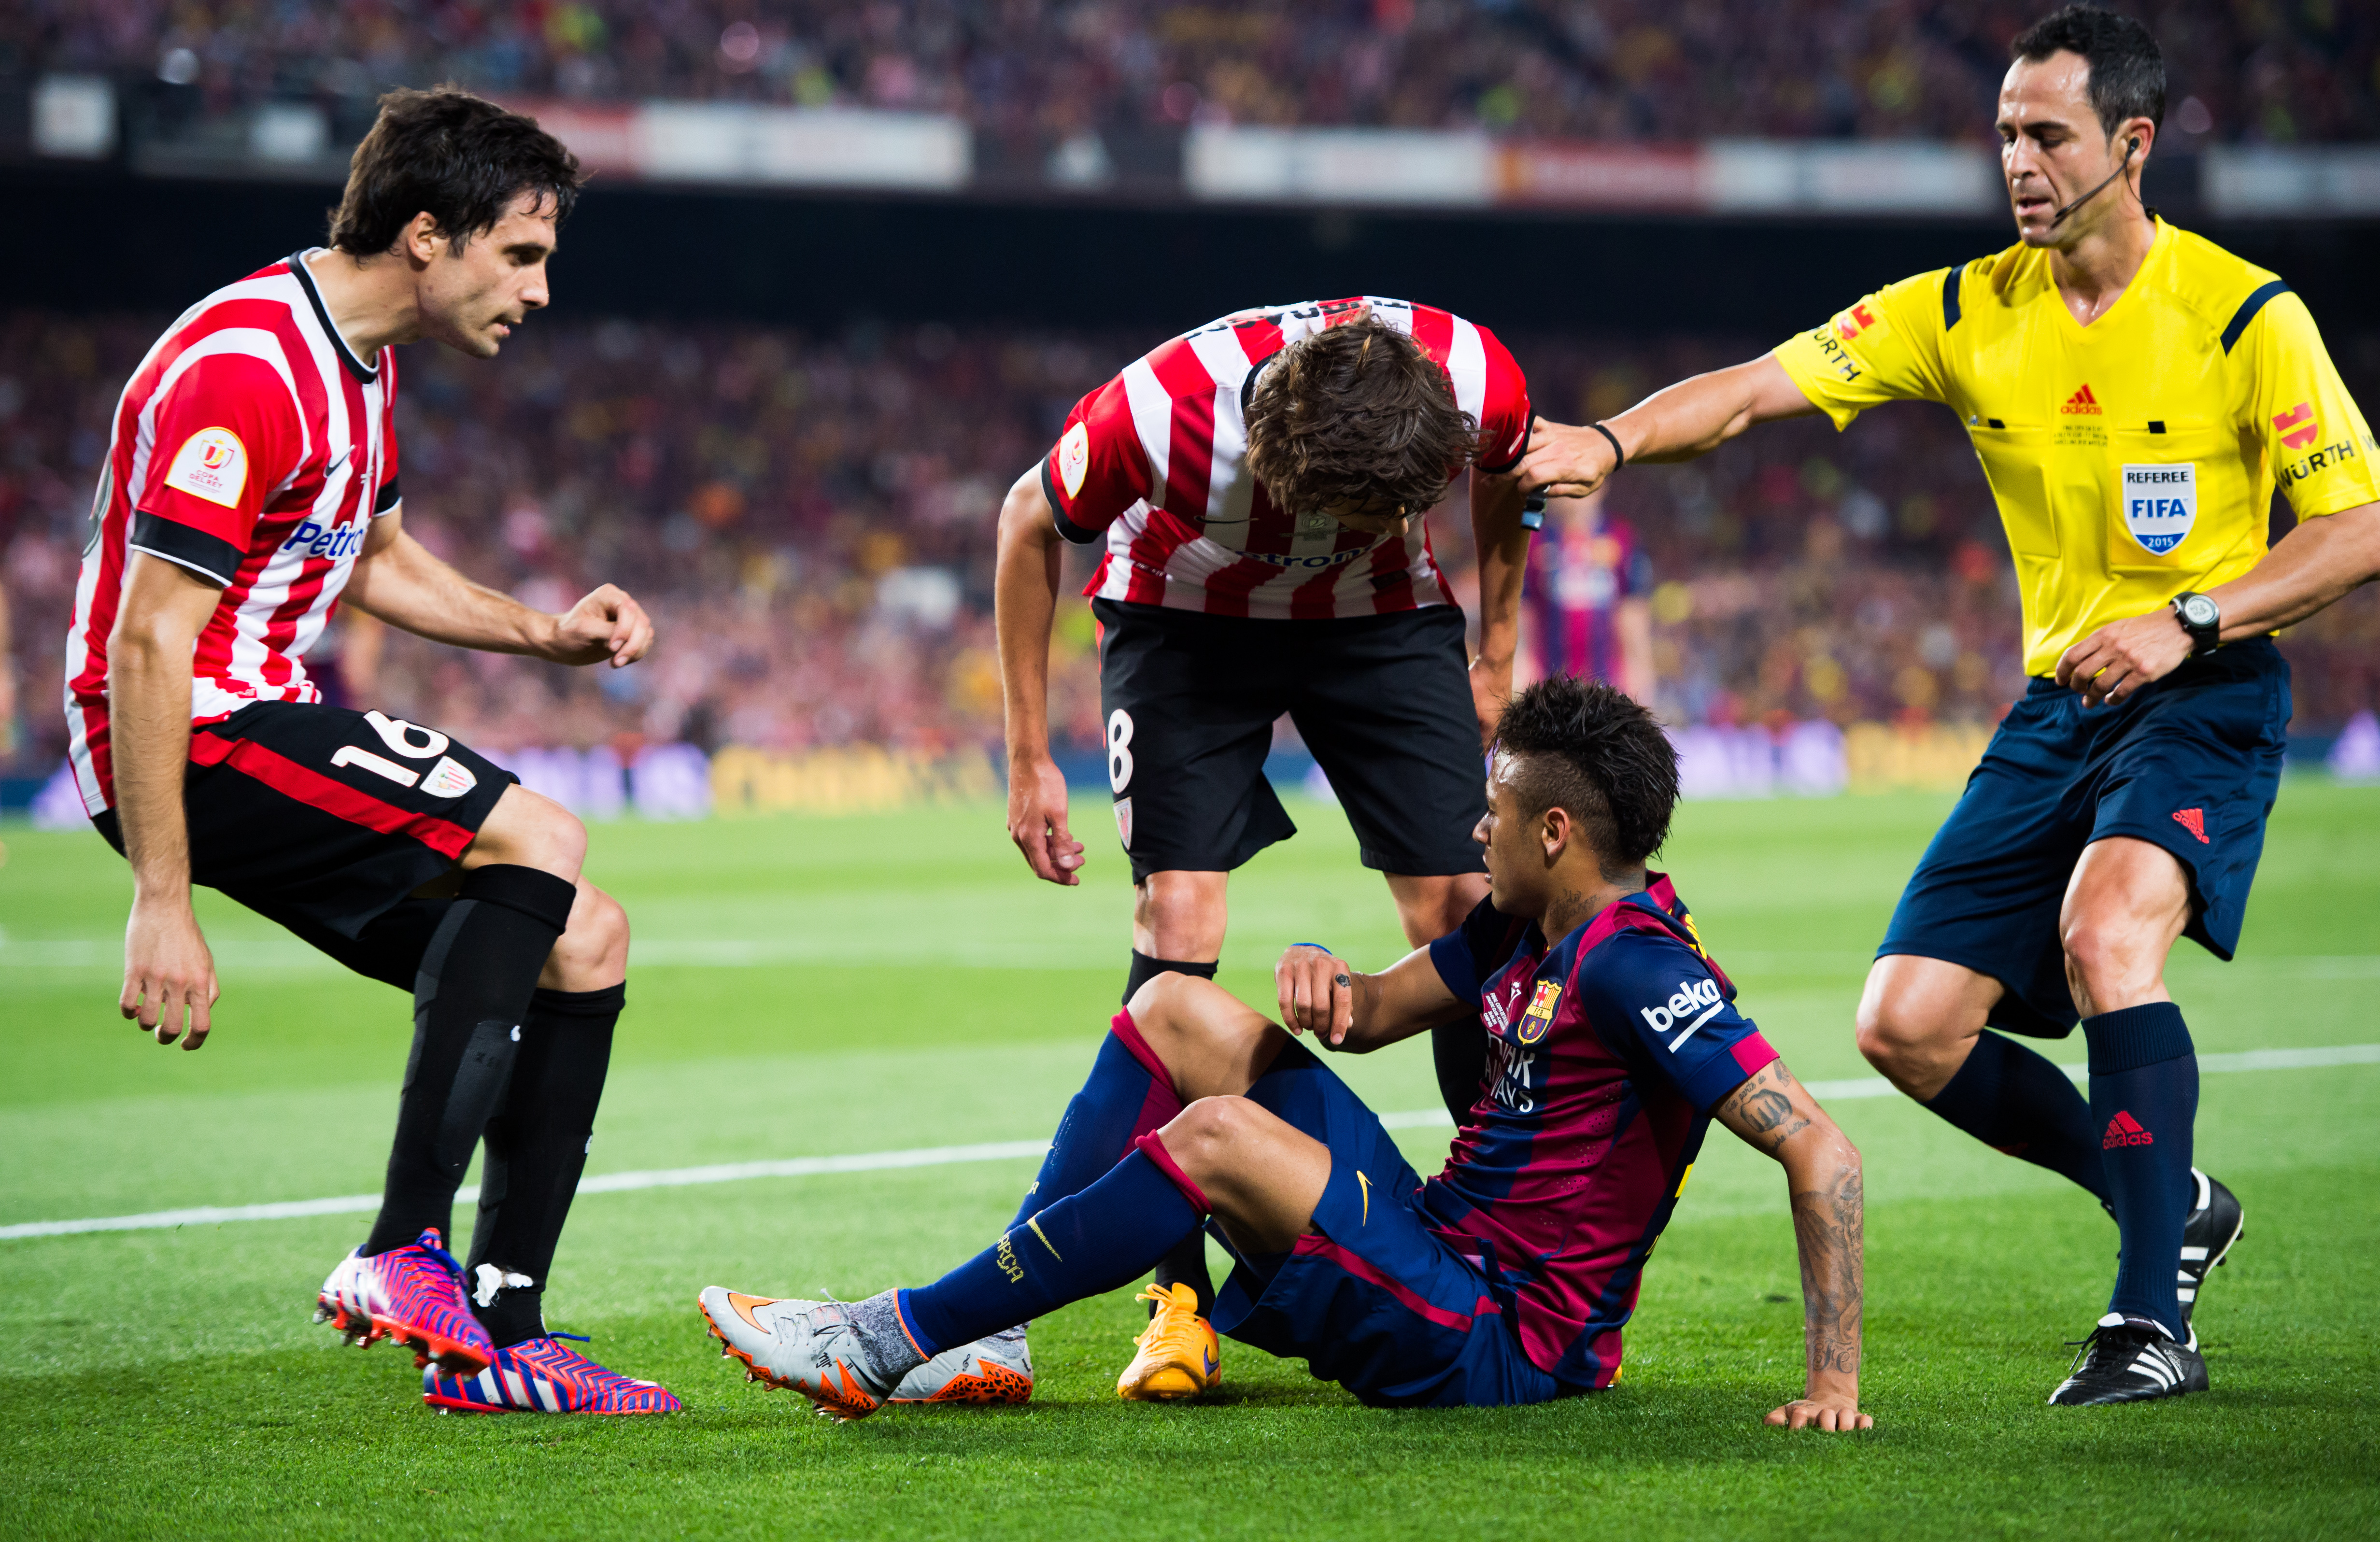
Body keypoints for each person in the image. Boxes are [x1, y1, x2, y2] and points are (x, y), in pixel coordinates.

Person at [1516, 6, 2380, 1405]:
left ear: (2133, 144)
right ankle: (2174, 1202)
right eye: (2003, 136)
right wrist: (1612, 440)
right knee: (1904, 1025)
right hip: (2057, 708)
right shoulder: (1967, 312)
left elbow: (2359, 525)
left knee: (2110, 937)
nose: (2019, 162)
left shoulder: (2242, 317)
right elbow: (1754, 390)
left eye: (2047, 134)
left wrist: (2191, 621)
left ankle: (2148, 1322)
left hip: (2205, 687)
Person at [696, 677, 1872, 1430]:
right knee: (1177, 1005)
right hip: (1440, 1242)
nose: (1477, 826)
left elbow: (1823, 1148)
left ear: (1555, 830)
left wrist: (1833, 1386)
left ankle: (876, 1341)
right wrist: (1324, 972)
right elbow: (1367, 1009)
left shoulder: (1640, 964)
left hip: (1505, 1337)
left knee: (1212, 1138)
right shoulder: (1522, 925)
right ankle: (988, 1333)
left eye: (1496, 809)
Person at [64, 86, 681, 1415]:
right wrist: (160, 900)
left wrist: (548, 636)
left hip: (246, 712)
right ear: (427, 234)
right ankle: (399, 1250)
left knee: (587, 936)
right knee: (540, 833)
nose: (540, 290)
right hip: (179, 732)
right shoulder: (247, 367)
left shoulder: (360, 363)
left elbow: (379, 563)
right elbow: (147, 644)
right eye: (522, 254)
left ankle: (504, 1333)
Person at [993, 297, 1536, 1395]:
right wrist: (1025, 757)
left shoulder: (1475, 371)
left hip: (1383, 624)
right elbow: (1023, 520)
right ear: (1277, 476)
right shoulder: (1153, 416)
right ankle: (1177, 1304)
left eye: (1397, 504)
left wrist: (1499, 651)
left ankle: (1503, 1247)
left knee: (1466, 911)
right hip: (1183, 620)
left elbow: (1511, 470)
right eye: (1353, 509)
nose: (1372, 519)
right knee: (1180, 922)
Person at [1524, 491, 1655, 702]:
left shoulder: (1622, 536)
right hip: (1548, 689)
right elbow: (1523, 615)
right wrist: (1522, 671)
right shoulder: (1535, 540)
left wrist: (1641, 676)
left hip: (1610, 688)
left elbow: (1633, 613)